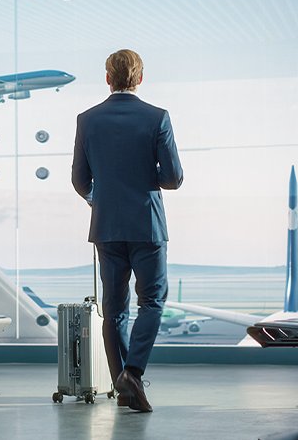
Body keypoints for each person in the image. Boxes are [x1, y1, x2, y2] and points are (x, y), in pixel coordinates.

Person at [71, 49, 183, 413]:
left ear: (108, 78)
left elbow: (79, 179)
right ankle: (132, 373)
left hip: (106, 226)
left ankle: (124, 388)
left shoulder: (87, 120)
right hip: (146, 226)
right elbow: (174, 178)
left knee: (115, 308)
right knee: (152, 302)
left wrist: (97, 199)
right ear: (140, 78)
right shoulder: (157, 118)